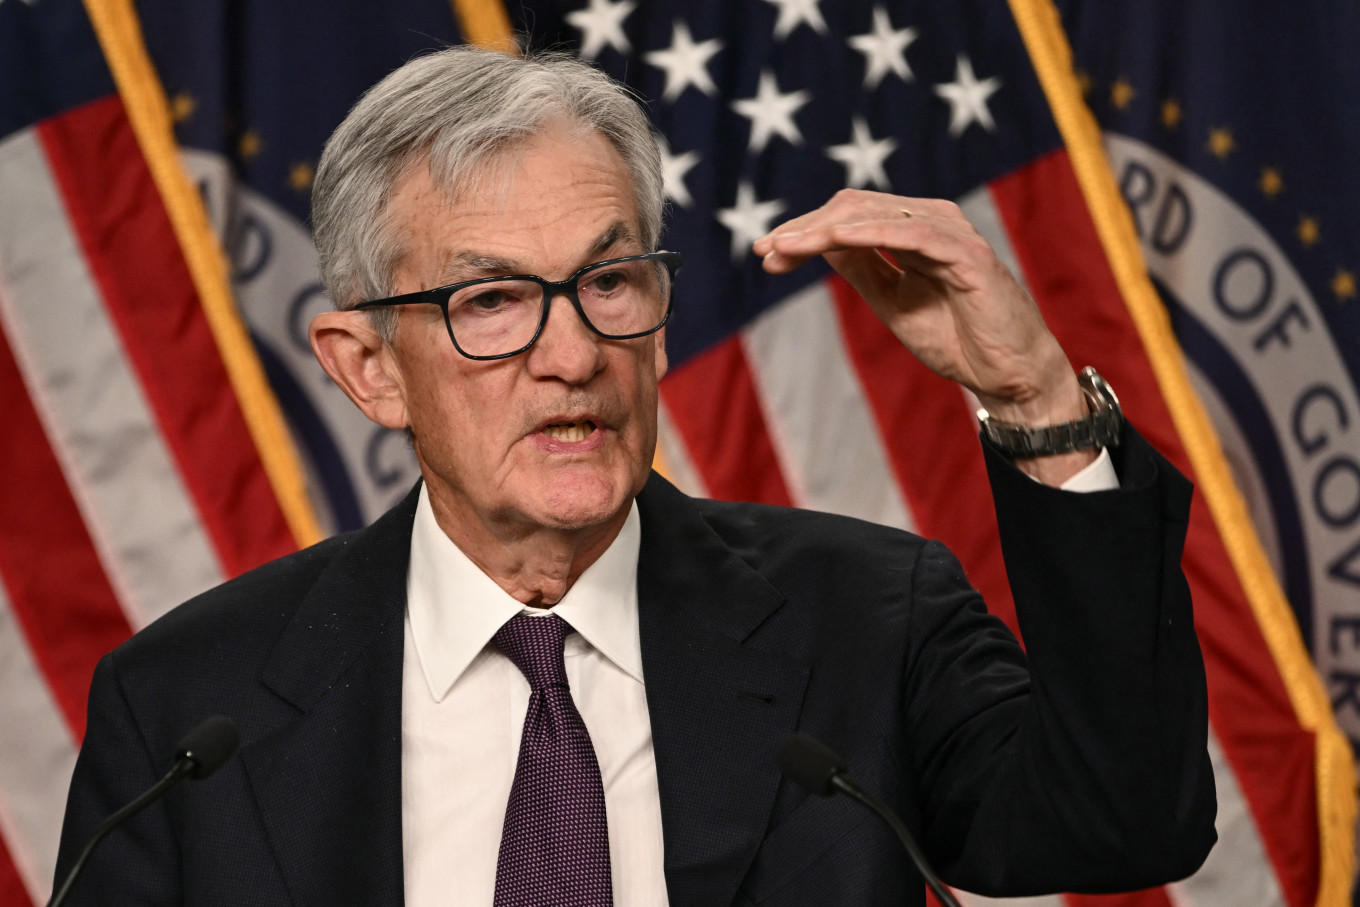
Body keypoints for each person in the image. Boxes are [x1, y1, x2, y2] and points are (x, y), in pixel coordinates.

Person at [54, 46, 1216, 906]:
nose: (572, 356)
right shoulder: (187, 713)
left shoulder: (865, 620)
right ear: (370, 370)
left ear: (658, 320)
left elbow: (1125, 825)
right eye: (491, 302)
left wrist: (1034, 405)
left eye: (610, 284)